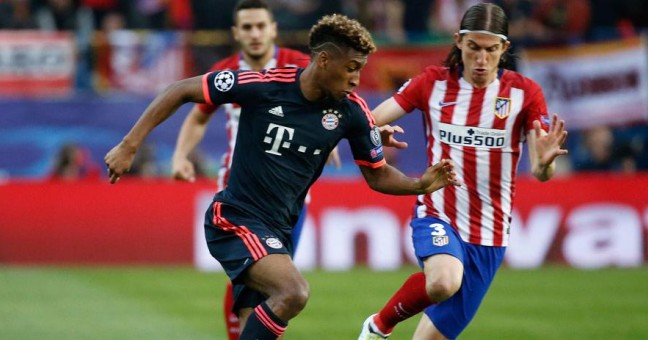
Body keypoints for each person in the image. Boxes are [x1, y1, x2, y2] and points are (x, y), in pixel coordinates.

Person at [105, 14, 460, 339]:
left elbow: (378, 175)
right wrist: (129, 145)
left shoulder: (352, 112)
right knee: (293, 292)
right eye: (351, 67)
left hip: (278, 230)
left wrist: (419, 184)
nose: (356, 78)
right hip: (234, 219)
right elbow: (180, 89)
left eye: (360, 68)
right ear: (324, 61)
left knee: (255, 325)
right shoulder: (264, 85)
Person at [358, 3, 568, 339]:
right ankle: (379, 325)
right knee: (443, 281)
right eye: (473, 48)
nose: (481, 60)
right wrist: (367, 133)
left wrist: (545, 163)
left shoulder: (525, 93)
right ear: (458, 41)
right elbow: (370, 118)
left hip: (490, 233)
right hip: (438, 213)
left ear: (505, 48)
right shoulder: (432, 83)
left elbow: (544, 172)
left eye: (490, 50)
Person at [169, 1, 314, 338]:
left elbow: (330, 107)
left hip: (291, 196)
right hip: (242, 194)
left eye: (261, 26)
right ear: (236, 33)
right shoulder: (227, 70)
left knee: (274, 283)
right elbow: (198, 115)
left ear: (274, 29)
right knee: (254, 280)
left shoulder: (300, 66)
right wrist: (180, 155)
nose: (255, 34)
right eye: (247, 27)